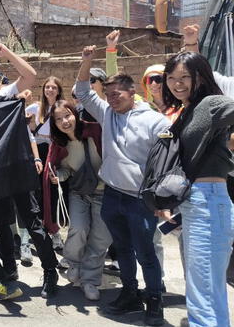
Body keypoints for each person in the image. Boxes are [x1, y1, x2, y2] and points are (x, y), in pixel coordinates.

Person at [75, 46, 169, 326]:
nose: (112, 100)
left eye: (117, 94)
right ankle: (130, 294)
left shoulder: (155, 121)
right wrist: (87, 60)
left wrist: (161, 202)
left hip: (141, 200)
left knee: (146, 254)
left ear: (131, 92)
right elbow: (82, 91)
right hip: (112, 196)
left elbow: (168, 162)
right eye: (108, 95)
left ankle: (154, 301)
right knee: (123, 251)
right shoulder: (107, 114)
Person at [0, 50, 59, 299]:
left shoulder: (4, 93)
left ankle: (50, 271)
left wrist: (5, 52)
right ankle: (9, 270)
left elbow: (30, 74)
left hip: (18, 166)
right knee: (3, 226)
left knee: (33, 223)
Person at [158, 51, 234, 326]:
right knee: (206, 292)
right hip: (196, 202)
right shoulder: (188, 109)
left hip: (208, 203)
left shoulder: (212, 103)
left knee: (204, 297)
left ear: (200, 77)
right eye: (171, 78)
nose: (177, 84)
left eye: (184, 77)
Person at [45, 100, 111, 301]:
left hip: (103, 192)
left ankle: (90, 280)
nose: (64, 121)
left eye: (67, 115)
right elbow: (66, 169)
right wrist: (58, 177)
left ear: (75, 114)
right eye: (58, 119)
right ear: (54, 124)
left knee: (101, 238)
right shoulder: (60, 144)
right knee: (79, 229)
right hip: (79, 192)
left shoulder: (95, 132)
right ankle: (74, 264)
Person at [26, 76, 66, 250]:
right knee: (38, 192)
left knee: (54, 192)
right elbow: (22, 119)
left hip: (55, 151)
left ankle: (55, 231)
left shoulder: (62, 107)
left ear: (58, 90)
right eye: (47, 87)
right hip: (39, 152)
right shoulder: (36, 107)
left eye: (53, 88)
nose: (50, 90)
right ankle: (39, 232)